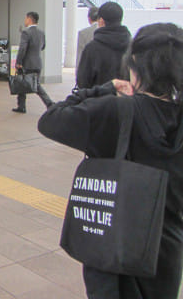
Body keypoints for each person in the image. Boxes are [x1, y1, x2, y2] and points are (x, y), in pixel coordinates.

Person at [38, 23, 183, 299]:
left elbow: (51, 119)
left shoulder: (115, 110)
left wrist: (102, 89)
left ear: (136, 63)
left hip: (115, 248)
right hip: (166, 253)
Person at [76, 1, 131, 89]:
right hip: (125, 100)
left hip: (97, 100)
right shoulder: (132, 47)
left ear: (101, 21)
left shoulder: (92, 48)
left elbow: (82, 81)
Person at [12, 11, 53, 113]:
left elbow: (22, 48)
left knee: (31, 84)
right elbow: (43, 47)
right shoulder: (41, 33)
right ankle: (21, 106)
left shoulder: (26, 32)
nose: (25, 21)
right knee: (27, 84)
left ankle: (49, 103)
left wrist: (18, 62)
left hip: (27, 63)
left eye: (26, 18)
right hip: (38, 62)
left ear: (29, 19)